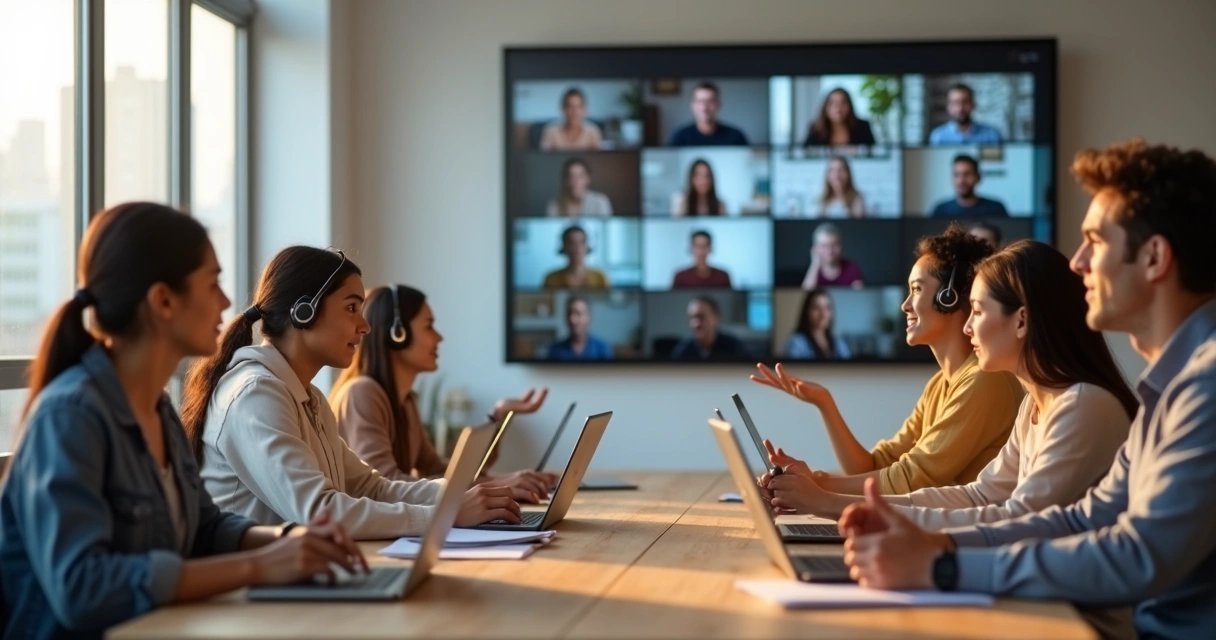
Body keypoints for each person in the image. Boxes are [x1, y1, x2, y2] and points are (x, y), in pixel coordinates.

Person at [839, 140, 1216, 640]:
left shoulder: (1203, 387)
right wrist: (942, 549)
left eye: (1095, 242)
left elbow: (1137, 555)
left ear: (1153, 258)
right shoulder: (1169, 386)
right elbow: (1086, 517)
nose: (1077, 262)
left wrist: (944, 566)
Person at [0, 203, 367, 639]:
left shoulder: (156, 409)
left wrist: (290, 540)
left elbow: (204, 527)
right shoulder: (70, 417)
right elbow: (83, 589)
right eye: (213, 283)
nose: (228, 302)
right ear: (163, 301)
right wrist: (259, 565)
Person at [765, 240, 1136, 524]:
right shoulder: (1033, 406)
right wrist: (823, 496)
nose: (969, 326)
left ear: (1021, 322)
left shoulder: (1080, 405)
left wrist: (828, 501)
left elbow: (1018, 520)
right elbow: (979, 497)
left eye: (976, 311)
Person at [181, 246, 523, 540]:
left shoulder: (308, 397)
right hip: (258, 599)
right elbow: (319, 510)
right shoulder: (256, 394)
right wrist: (444, 515)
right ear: (305, 311)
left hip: (299, 583)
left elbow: (374, 488)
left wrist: (462, 495)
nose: (365, 325)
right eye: (351, 307)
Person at [756, 225, 1024, 495]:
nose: (905, 305)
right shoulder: (940, 385)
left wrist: (814, 484)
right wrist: (825, 403)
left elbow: (911, 478)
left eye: (917, 290)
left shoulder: (984, 380)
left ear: (949, 297)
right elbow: (873, 467)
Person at [330, 285, 558, 500]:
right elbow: (385, 484)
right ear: (397, 334)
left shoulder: (405, 401)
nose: (439, 338)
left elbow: (442, 470)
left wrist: (498, 418)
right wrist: (498, 485)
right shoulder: (362, 393)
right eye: (429, 326)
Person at [668, 81, 749, 146]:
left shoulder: (735, 136)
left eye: (710, 101)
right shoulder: (680, 136)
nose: (704, 107)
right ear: (692, 105)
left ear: (718, 105)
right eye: (700, 101)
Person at [670, 296, 750, 360]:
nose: (696, 324)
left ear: (715, 318)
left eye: (701, 317)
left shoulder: (735, 347)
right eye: (692, 318)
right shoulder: (683, 350)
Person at [932, 155, 1009, 218]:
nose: (961, 180)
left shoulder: (996, 209)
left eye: (967, 174)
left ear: (978, 177)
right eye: (956, 175)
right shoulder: (941, 210)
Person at [784, 289, 851, 360]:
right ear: (807, 312)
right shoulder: (796, 343)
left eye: (827, 308)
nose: (823, 314)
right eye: (816, 308)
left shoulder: (838, 342)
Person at [928, 83, 1004, 145]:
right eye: (955, 103)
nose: (960, 108)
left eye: (965, 102)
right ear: (948, 107)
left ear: (973, 104)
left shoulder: (991, 135)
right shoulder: (938, 136)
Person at [546, 295, 613, 360]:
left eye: (578, 313)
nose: (572, 319)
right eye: (569, 313)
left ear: (589, 317)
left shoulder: (601, 348)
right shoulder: (555, 350)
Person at [542, 225, 610, 289]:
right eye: (571, 243)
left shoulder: (600, 277)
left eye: (581, 242)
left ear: (587, 246)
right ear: (564, 247)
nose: (577, 247)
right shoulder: (552, 279)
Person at [803, 88, 876, 147]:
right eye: (832, 103)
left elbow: (874, 154)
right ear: (825, 107)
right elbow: (805, 154)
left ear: (849, 106)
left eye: (843, 103)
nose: (838, 107)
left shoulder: (863, 127)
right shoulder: (815, 129)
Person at [801, 223, 865, 290]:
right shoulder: (812, 271)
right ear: (816, 248)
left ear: (841, 246)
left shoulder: (851, 268)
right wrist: (815, 264)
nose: (830, 250)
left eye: (834, 245)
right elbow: (805, 294)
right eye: (824, 246)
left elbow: (859, 294)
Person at [539, 87, 603, 151]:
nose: (574, 112)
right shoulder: (551, 131)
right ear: (563, 109)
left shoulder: (593, 131)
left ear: (584, 109)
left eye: (578, 107)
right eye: (570, 107)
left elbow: (599, 158)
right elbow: (543, 158)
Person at [546, 158, 613, 216]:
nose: (576, 181)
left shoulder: (600, 201)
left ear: (587, 179)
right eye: (571, 176)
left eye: (580, 176)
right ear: (565, 180)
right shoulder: (554, 205)